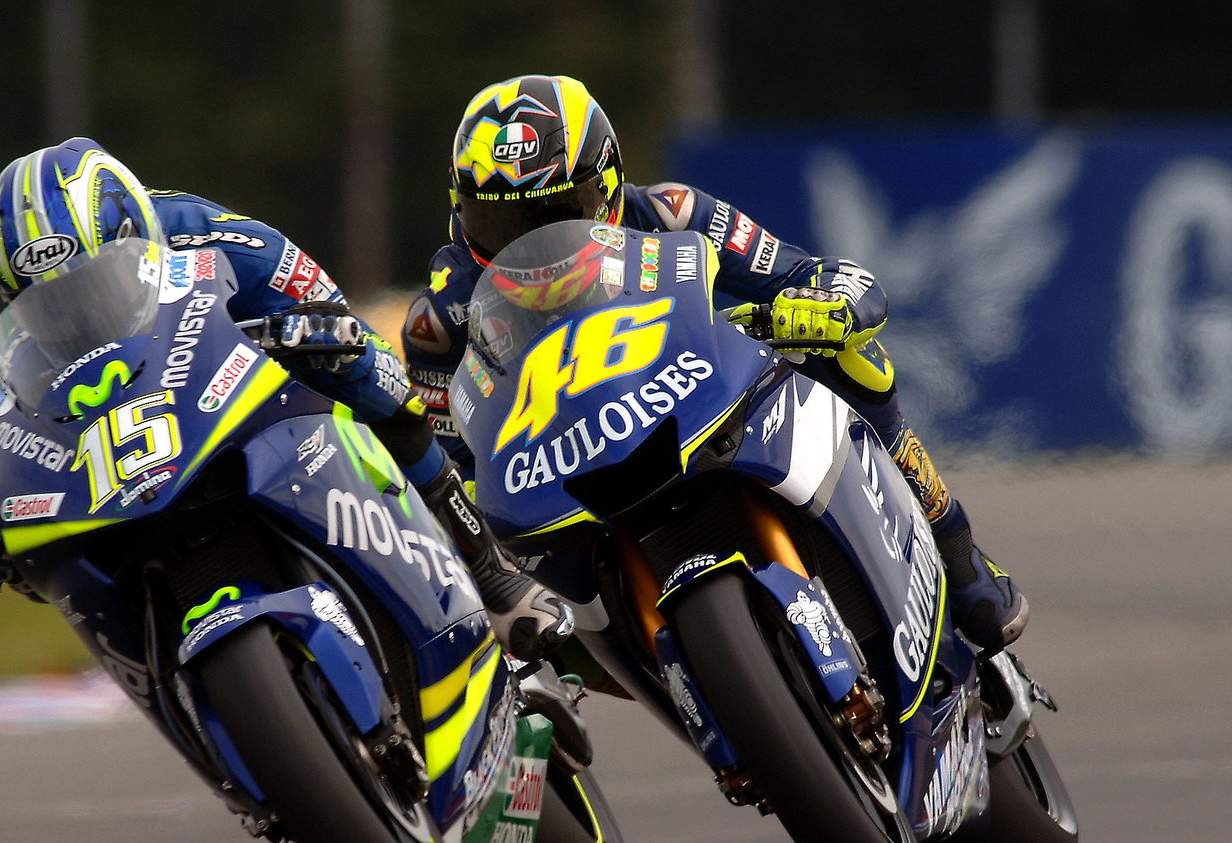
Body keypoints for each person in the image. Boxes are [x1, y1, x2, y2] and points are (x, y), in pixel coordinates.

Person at [401, 74, 1026, 652]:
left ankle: (957, 552)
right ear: (459, 211)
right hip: (568, 484)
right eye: (500, 220)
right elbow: (452, 470)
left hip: (698, 403)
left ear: (611, 185)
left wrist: (824, 306)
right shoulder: (440, 319)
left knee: (855, 362)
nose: (530, 243)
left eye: (557, 213)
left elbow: (813, 274)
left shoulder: (671, 213)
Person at [0, 137, 572, 661]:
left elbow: (333, 314)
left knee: (376, 383)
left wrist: (322, 338)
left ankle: (489, 573)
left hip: (249, 395)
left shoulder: (217, 236)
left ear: (135, 234)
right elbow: (32, 427)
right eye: (51, 304)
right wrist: (12, 521)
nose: (74, 314)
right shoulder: (20, 346)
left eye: (91, 286)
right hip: (137, 454)